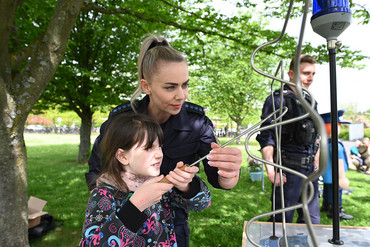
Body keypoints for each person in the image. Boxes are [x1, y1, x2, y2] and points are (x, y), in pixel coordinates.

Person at [86, 34, 242, 246]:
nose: (182, 95)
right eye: (170, 87)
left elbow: (215, 184)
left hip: (170, 222)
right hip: (121, 218)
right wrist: (126, 206)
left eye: (185, 85)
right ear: (146, 86)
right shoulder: (121, 120)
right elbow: (97, 171)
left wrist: (230, 172)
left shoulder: (197, 122)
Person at [79, 114, 211, 246]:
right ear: (122, 156)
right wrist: (136, 206)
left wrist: (186, 187)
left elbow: (202, 203)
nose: (159, 154)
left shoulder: (161, 186)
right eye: (148, 148)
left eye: (160, 146)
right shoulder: (104, 195)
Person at [256, 54, 320, 224]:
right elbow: (266, 137)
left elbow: (317, 137)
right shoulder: (276, 100)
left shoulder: (311, 101)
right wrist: (271, 170)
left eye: (313, 74)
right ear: (291, 74)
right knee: (282, 222)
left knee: (311, 222)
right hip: (287, 172)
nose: (310, 78)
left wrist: (317, 164)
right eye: (306, 73)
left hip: (310, 172)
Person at [319, 110, 354, 220]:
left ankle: (326, 205)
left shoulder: (323, 142)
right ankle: (336, 211)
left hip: (326, 174)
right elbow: (338, 162)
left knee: (327, 189)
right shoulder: (335, 145)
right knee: (336, 192)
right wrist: (342, 178)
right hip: (335, 175)